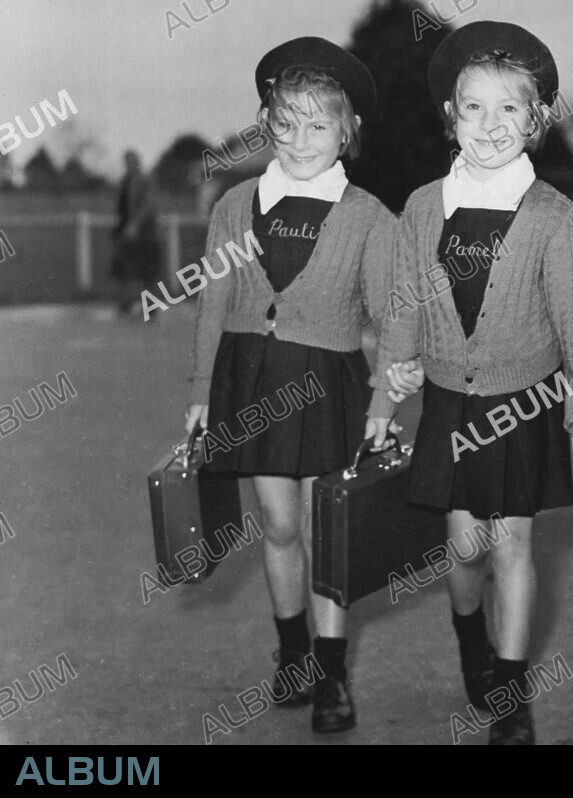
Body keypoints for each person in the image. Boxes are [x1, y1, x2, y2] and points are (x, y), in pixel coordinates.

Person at [366, 21, 573, 745]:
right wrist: (388, 393)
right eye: (473, 107)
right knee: (465, 550)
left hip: (524, 403)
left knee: (511, 546)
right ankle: (469, 634)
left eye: (511, 108)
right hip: (449, 402)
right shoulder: (420, 208)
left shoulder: (553, 218)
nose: (491, 125)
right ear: (450, 116)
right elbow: (404, 309)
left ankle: (510, 691)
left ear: (537, 120)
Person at [185, 37, 397, 734]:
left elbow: (395, 317)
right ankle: (293, 654)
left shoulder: (368, 216)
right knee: (277, 525)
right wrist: (197, 395)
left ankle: (333, 676)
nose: (300, 139)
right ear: (265, 122)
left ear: (347, 131)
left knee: (325, 531)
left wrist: (386, 400)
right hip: (249, 384)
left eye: (319, 125)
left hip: (329, 382)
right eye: (285, 122)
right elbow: (213, 306)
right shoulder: (234, 206)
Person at [112, 150, 159, 315]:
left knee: (146, 269)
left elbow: (147, 205)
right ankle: (126, 302)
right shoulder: (125, 181)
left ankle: (150, 304)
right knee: (125, 269)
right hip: (126, 231)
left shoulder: (144, 180)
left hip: (143, 233)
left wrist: (135, 226)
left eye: (131, 161)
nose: (129, 165)